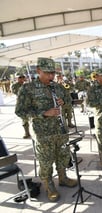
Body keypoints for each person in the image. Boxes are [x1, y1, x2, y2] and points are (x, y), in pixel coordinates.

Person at [15, 57, 77, 202]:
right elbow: (20, 111)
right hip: (43, 133)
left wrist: (64, 102)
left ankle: (63, 177)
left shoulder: (58, 87)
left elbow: (69, 102)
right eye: (47, 73)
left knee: (63, 155)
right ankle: (49, 185)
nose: (51, 76)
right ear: (38, 71)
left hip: (60, 130)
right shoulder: (28, 88)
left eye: (53, 73)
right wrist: (43, 113)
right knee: (46, 160)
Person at [11, 72, 31, 138]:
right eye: (20, 77)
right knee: (24, 118)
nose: (22, 78)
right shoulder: (14, 85)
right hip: (21, 104)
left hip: (29, 103)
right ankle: (27, 133)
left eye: (23, 77)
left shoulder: (28, 84)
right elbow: (16, 92)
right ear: (16, 78)